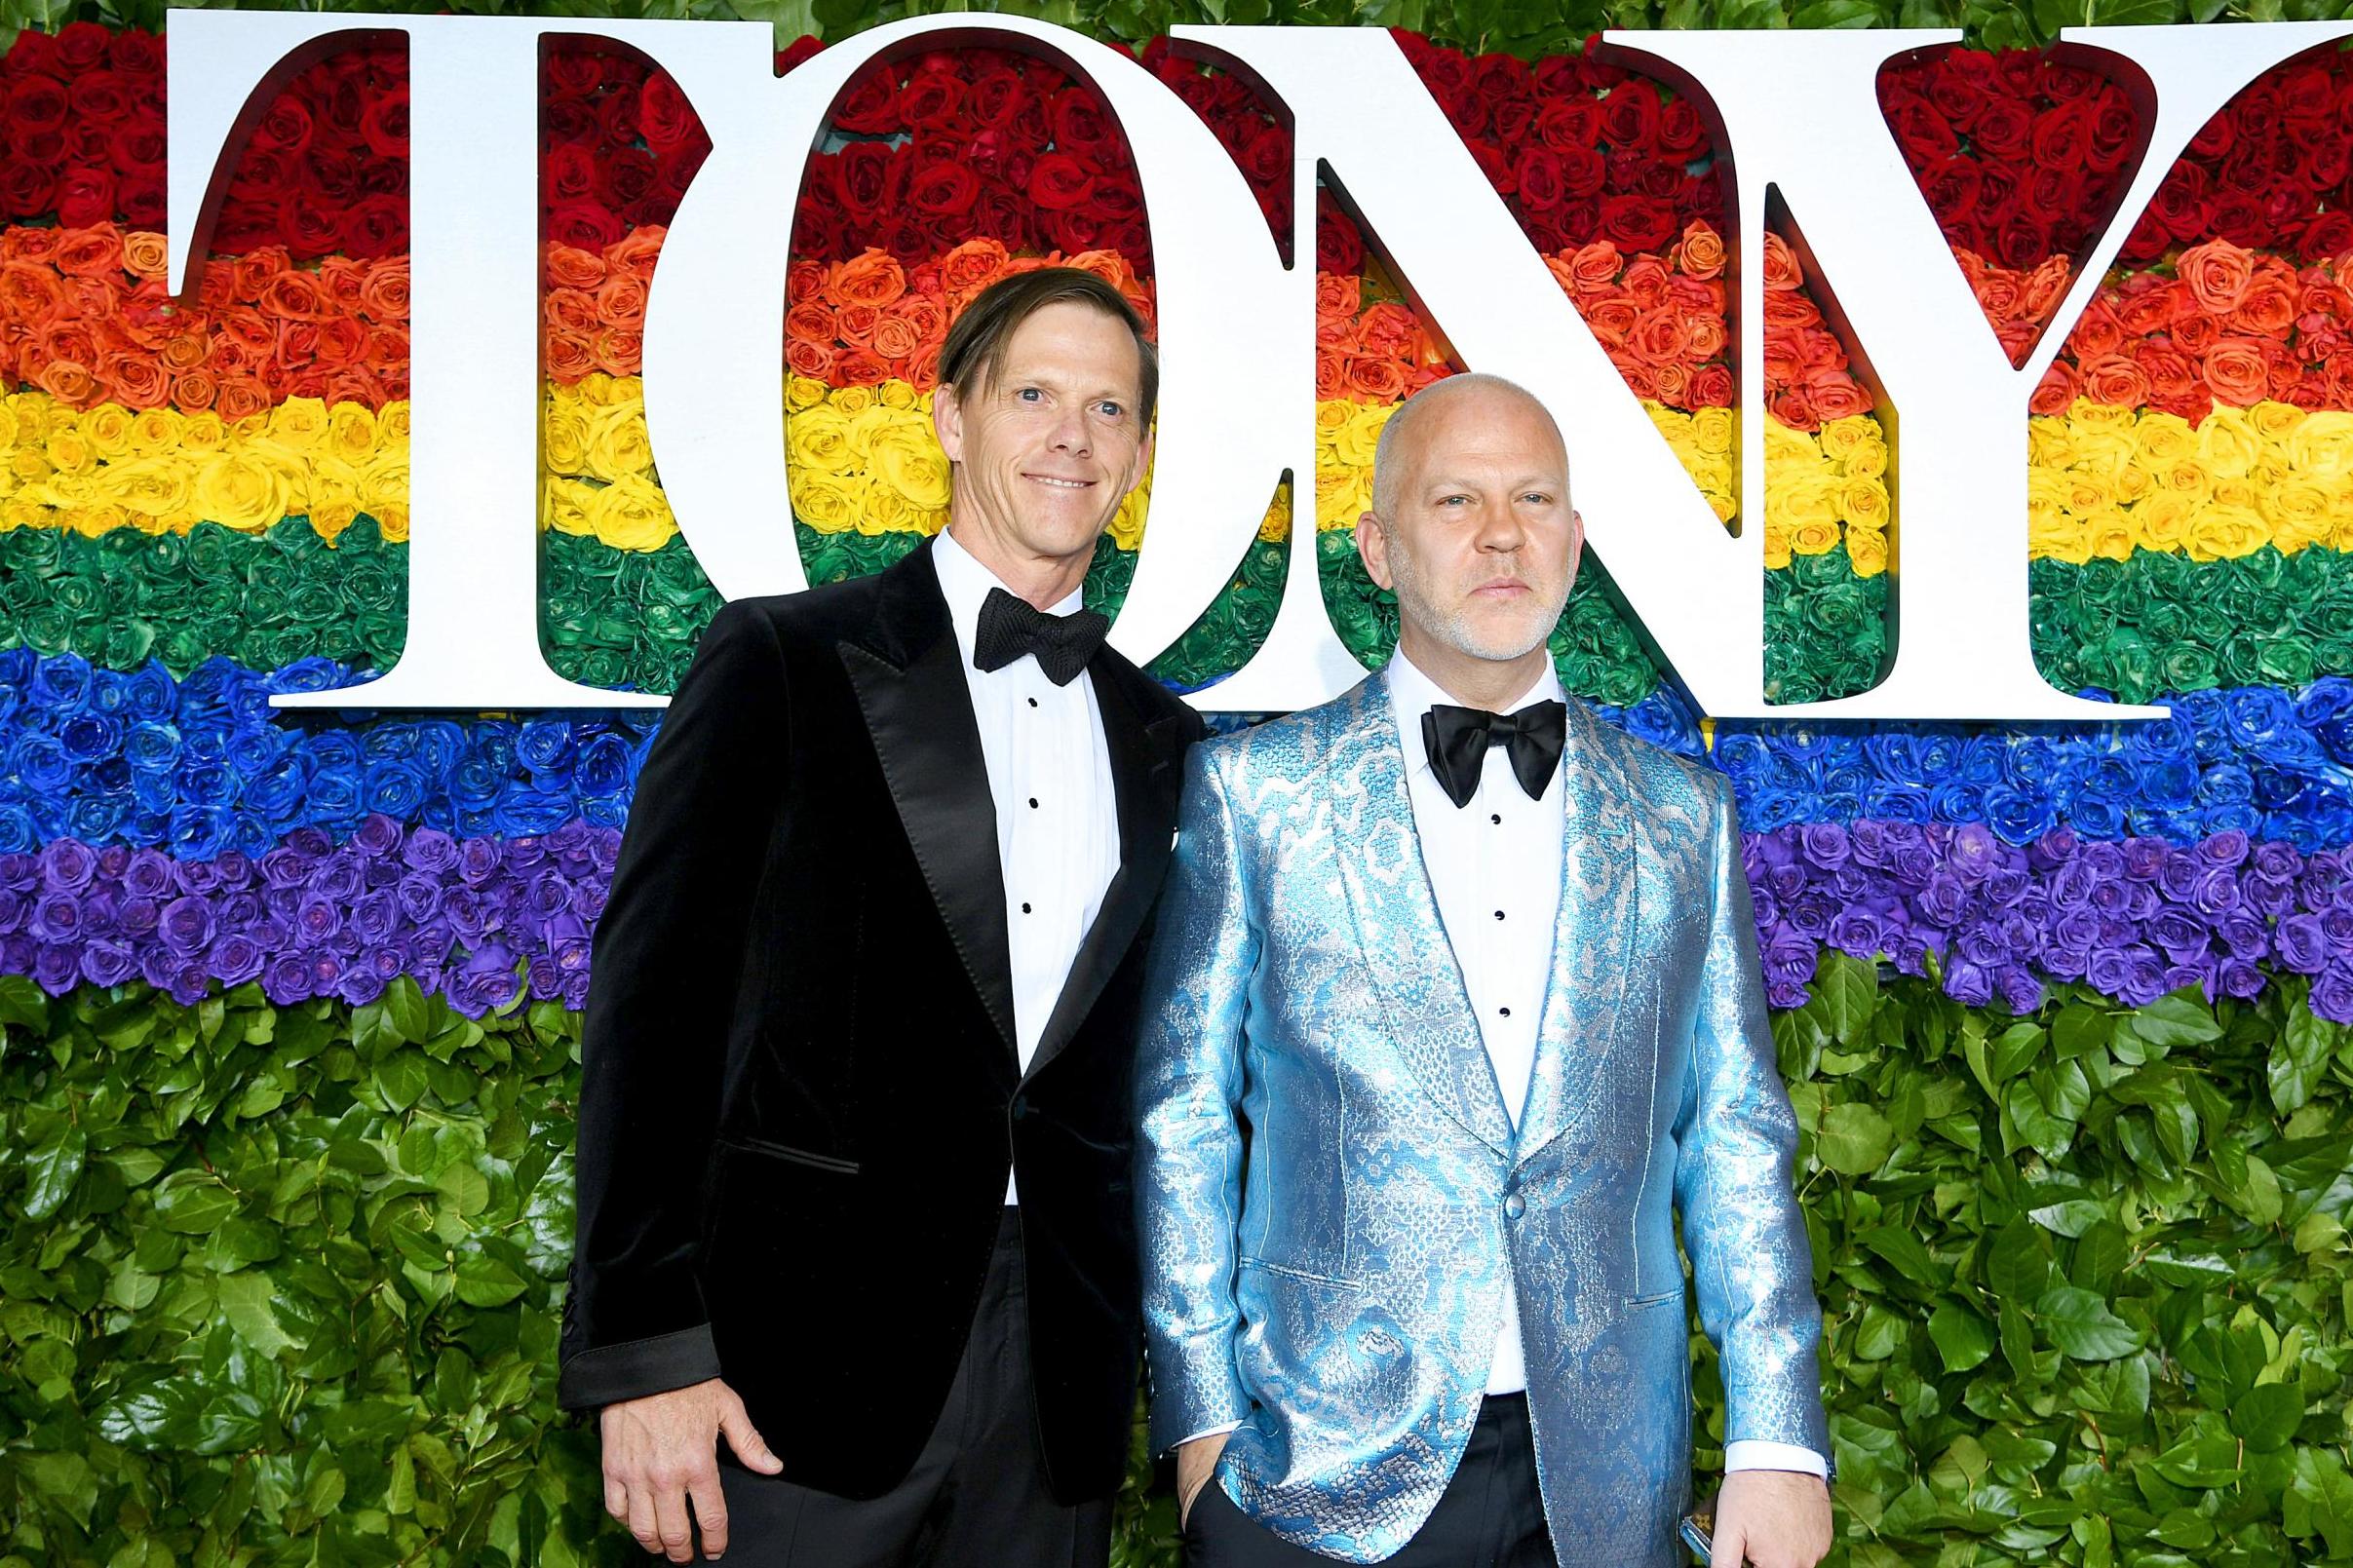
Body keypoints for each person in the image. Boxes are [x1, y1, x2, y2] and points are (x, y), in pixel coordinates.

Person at [559, 267, 1206, 1567]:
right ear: (951, 417)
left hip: (1055, 1380)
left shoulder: (1164, 739)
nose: (1069, 436)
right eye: (1031, 394)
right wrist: (641, 1354)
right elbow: (654, 1010)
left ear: (1138, 451)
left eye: (1107, 408)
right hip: (789, 1370)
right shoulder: (781, 663)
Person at [1134, 373, 1833, 1568]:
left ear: (1574, 537)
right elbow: (1181, 1117)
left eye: (1533, 497)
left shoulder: (1681, 817)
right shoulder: (1256, 794)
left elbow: (1731, 1136)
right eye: (1454, 498)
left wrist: (1777, 1438)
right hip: (1313, 1469)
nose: (1501, 532)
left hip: (1605, 1478)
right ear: (1378, 547)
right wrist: (1200, 1425)